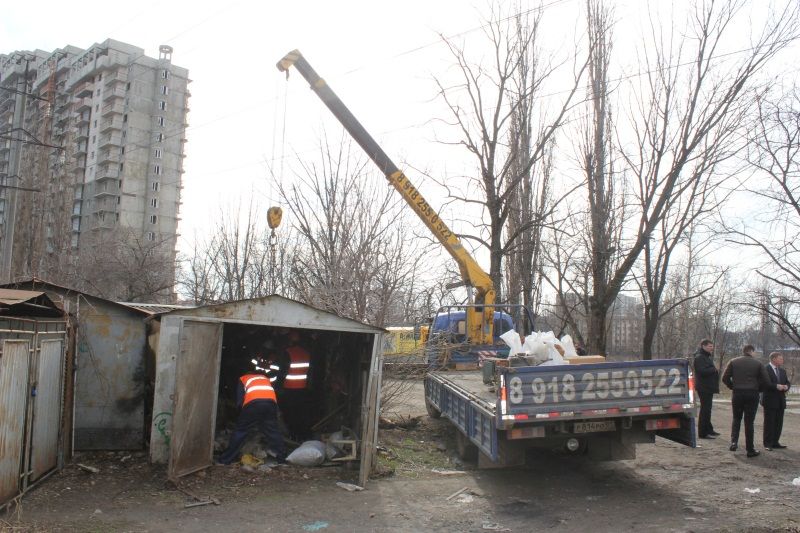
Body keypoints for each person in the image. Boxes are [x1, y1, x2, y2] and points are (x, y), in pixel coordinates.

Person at [217, 356, 286, 465]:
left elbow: (240, 401)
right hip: (270, 404)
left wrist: (240, 416)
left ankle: (225, 459)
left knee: (241, 431)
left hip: (253, 404)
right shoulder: (265, 378)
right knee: (272, 432)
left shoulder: (243, 378)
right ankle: (282, 459)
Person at [722, 344, 784, 458]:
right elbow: (766, 381)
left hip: (737, 393)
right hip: (752, 394)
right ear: (751, 351)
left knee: (736, 418)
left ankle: (734, 442)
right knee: (749, 421)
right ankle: (750, 449)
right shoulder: (758, 363)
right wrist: (757, 389)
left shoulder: (733, 361)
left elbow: (724, 378)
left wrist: (733, 387)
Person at [279, 330, 315, 441]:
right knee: (301, 413)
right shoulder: (307, 353)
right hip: (302, 389)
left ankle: (293, 435)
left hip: (289, 389)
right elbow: (310, 372)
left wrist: (278, 386)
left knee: (290, 414)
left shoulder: (287, 352)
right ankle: (302, 435)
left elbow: (283, 371)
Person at [762, 352, 791, 451]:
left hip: (780, 400)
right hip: (769, 400)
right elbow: (764, 383)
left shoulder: (782, 371)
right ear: (774, 359)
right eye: (780, 358)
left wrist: (787, 386)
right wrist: (776, 386)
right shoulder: (765, 369)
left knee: (779, 422)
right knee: (769, 422)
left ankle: (775, 442)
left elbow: (787, 382)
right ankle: (767, 443)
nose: (782, 360)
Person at [693, 339, 720, 439]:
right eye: (710, 346)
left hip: (708, 387)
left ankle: (709, 429)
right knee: (705, 409)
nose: (711, 348)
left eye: (712, 346)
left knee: (708, 410)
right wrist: (714, 369)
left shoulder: (706, 356)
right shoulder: (700, 357)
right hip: (704, 387)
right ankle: (703, 433)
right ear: (703, 346)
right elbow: (701, 371)